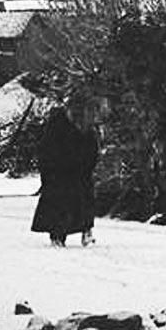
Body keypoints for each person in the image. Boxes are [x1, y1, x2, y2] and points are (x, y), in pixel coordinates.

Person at [31, 99, 100, 246]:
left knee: (83, 201)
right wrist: (49, 171)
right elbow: (47, 149)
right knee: (59, 204)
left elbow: (92, 146)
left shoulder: (85, 125)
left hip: (80, 171)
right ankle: (57, 235)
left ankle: (86, 230)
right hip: (59, 172)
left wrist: (88, 165)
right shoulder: (58, 124)